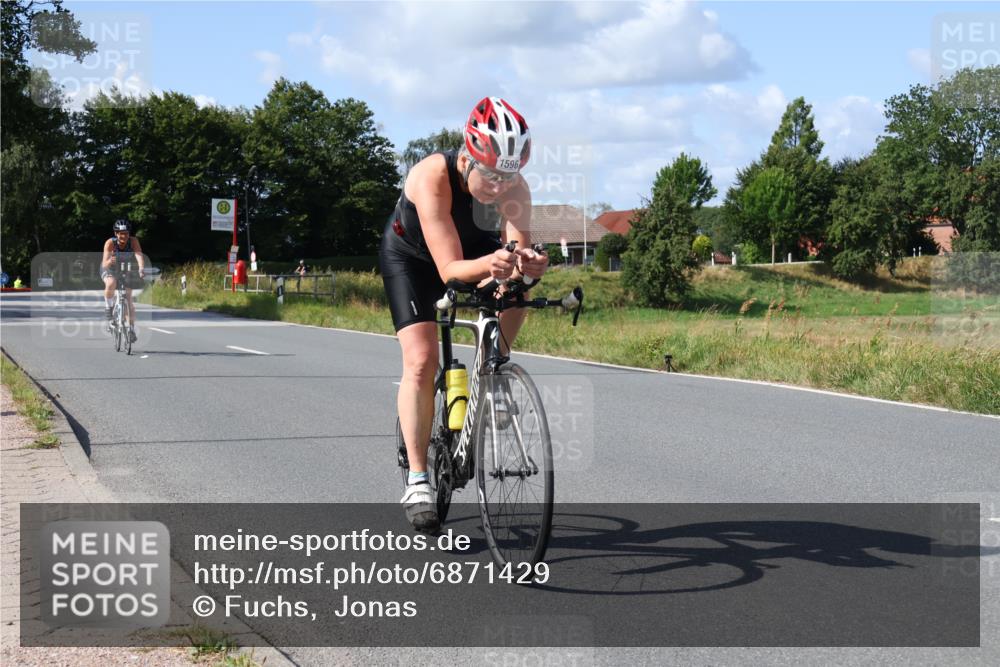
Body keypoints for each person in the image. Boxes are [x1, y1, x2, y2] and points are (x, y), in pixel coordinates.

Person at [380, 97, 549, 533]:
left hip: (476, 253)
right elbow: (450, 271)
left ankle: (493, 368)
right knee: (421, 360)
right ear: (468, 155)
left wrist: (528, 264)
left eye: (508, 175)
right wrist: (497, 261)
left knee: (518, 286)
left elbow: (514, 250)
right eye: (490, 174)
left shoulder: (515, 187)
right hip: (415, 260)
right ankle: (418, 478)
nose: (498, 186)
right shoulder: (432, 176)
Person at [101, 220, 145, 342]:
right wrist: (110, 261)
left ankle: (131, 329)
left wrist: (141, 268)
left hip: (125, 268)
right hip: (109, 268)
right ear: (116, 233)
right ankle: (108, 310)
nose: (124, 236)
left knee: (129, 300)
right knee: (111, 283)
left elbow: (139, 255)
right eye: (121, 233)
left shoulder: (133, 241)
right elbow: (104, 263)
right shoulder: (110, 243)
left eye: (126, 233)